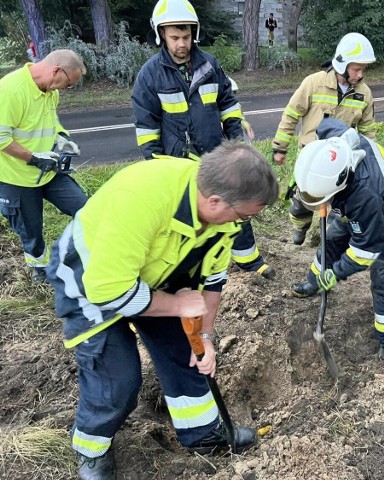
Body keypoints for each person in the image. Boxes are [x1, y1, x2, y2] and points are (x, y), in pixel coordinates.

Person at [46, 140, 279, 480]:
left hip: (158, 272)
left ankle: (202, 435)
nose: (242, 223)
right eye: (244, 215)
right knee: (118, 379)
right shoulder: (143, 197)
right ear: (215, 201)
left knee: (190, 353)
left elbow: (212, 280)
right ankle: (91, 449)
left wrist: (204, 336)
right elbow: (108, 287)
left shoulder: (222, 218)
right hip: (89, 281)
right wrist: (175, 304)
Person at [132, 0, 275, 279]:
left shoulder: (210, 65)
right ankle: (191, 270)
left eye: (186, 36)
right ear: (161, 34)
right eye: (174, 37)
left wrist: (239, 142)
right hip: (176, 162)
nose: (181, 44)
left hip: (215, 153)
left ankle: (249, 261)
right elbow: (147, 128)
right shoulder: (149, 75)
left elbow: (229, 105)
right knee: (186, 219)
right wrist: (156, 165)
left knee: (235, 201)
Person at [291, 117, 384, 359]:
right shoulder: (333, 137)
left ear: (339, 183)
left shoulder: (366, 196)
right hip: (354, 201)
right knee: (331, 240)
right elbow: (323, 124)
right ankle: (312, 281)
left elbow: (365, 252)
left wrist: (336, 273)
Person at [272, 32, 377, 245]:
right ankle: (300, 227)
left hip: (342, 161)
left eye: (363, 69)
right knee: (303, 202)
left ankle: (331, 241)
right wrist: (280, 147)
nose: (360, 74)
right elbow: (291, 114)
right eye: (356, 69)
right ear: (342, 65)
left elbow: (367, 130)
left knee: (341, 205)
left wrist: (370, 159)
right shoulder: (313, 83)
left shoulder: (364, 93)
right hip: (311, 158)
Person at [0, 49, 87, 283]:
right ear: (56, 71)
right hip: (16, 177)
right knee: (31, 229)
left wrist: (63, 139)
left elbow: (51, 122)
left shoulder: (50, 92)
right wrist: (33, 158)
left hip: (49, 171)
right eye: (67, 84)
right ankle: (38, 267)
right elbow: (1, 138)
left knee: (85, 209)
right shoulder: (10, 90)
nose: (64, 90)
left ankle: (83, 255)